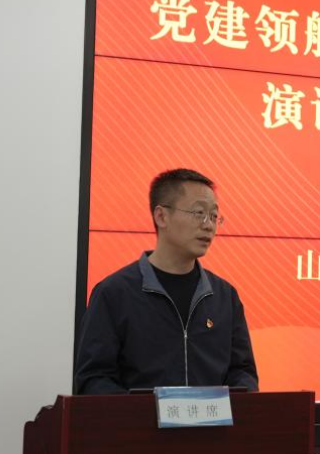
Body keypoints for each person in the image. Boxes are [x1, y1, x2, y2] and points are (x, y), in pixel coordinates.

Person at [75, 168, 259, 394]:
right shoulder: (114, 293)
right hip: (141, 418)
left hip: (211, 418)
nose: (209, 225)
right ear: (161, 216)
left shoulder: (224, 296)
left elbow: (243, 373)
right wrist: (146, 411)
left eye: (213, 216)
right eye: (199, 213)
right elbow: (93, 379)